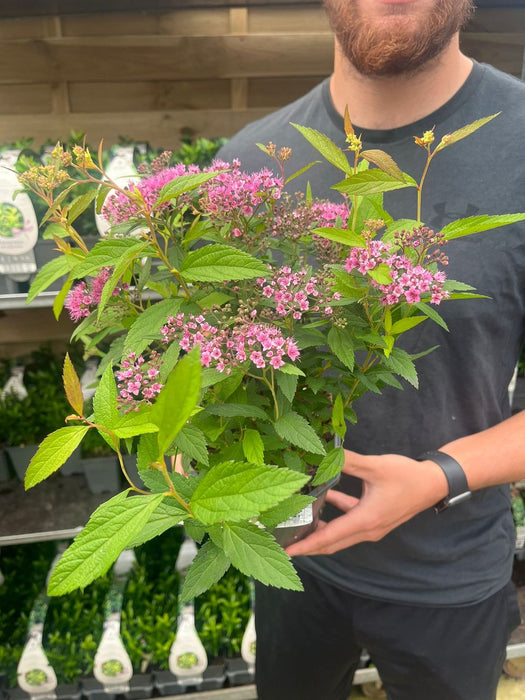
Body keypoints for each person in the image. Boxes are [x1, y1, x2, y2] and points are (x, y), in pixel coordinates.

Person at [216, 1, 525, 699]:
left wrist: (438, 476)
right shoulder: (244, 169)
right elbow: (225, 371)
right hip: (292, 557)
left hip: (447, 574)